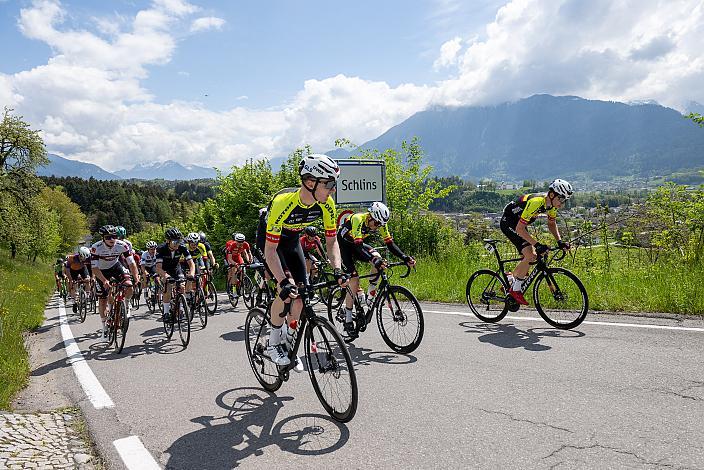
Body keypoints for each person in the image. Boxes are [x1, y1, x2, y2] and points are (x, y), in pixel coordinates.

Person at [264, 153, 347, 367]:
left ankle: (289, 346)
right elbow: (271, 250)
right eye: (329, 183)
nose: (333, 189)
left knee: (301, 298)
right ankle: (273, 343)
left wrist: (337, 269)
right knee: (287, 291)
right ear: (310, 182)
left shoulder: (327, 204)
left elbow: (331, 242)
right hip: (271, 243)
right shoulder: (284, 203)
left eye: (334, 183)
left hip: (291, 241)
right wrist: (282, 282)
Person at [337, 201, 415, 335]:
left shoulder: (381, 222)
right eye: (377, 224)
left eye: (381, 225)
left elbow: (390, 244)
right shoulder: (357, 219)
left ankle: (370, 293)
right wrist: (373, 260)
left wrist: (405, 257)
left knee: (378, 257)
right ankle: (348, 318)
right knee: (354, 278)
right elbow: (358, 246)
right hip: (344, 246)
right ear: (370, 217)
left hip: (357, 245)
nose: (378, 227)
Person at [500, 179, 573, 305]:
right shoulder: (537, 202)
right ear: (552, 195)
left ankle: (510, 278)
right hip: (509, 223)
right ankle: (515, 290)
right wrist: (537, 244)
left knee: (530, 257)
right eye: (560, 199)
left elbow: (551, 224)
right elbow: (519, 229)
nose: (562, 203)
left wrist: (560, 241)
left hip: (518, 223)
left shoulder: (551, 205)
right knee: (531, 255)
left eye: (564, 200)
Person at [90, 225, 140, 337]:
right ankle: (104, 328)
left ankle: (126, 305)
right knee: (102, 299)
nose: (112, 239)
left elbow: (131, 263)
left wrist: (136, 277)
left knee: (129, 285)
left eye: (114, 236)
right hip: (101, 271)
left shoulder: (122, 245)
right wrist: (104, 280)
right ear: (103, 238)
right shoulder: (96, 247)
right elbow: (94, 268)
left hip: (116, 267)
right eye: (108, 237)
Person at [155, 228, 195, 322]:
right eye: (174, 241)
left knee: (182, 286)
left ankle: (180, 308)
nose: (177, 243)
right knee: (168, 286)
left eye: (179, 241)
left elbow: (191, 263)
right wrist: (165, 276)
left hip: (176, 268)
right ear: (168, 241)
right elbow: (158, 268)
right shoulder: (161, 249)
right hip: (164, 269)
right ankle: (166, 312)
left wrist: (192, 273)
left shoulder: (182, 247)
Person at [224, 232, 253, 300]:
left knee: (243, 270)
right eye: (239, 242)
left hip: (238, 257)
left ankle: (241, 285)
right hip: (231, 258)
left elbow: (247, 253)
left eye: (242, 242)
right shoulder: (232, 245)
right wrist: (235, 264)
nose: (240, 243)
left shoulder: (246, 244)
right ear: (235, 241)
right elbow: (229, 259)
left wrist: (249, 260)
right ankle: (234, 291)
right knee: (234, 270)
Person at [65, 247, 92, 312]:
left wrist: (92, 277)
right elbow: (67, 269)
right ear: (79, 254)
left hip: (82, 269)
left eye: (86, 258)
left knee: (88, 280)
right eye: (83, 257)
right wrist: (70, 279)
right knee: (73, 284)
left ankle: (87, 297)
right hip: (73, 270)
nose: (84, 259)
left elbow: (93, 267)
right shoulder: (72, 258)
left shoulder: (88, 258)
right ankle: (74, 302)